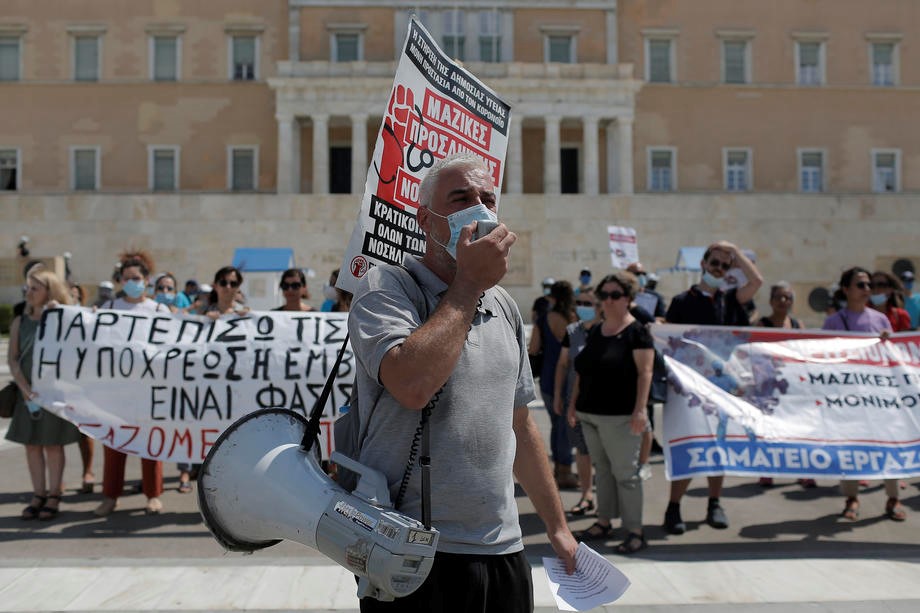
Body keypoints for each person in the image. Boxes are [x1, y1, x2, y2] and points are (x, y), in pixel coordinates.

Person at [348, 153, 576, 612]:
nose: (481, 209)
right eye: (461, 198)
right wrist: (469, 284)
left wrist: (557, 526)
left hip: (503, 547)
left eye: (488, 198)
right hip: (412, 548)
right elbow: (411, 386)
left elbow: (519, 423)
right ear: (424, 219)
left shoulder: (505, 304)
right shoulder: (387, 288)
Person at [663, 240, 763, 534]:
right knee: (690, 444)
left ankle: (714, 503)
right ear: (703, 264)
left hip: (722, 389)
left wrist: (734, 250)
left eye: (725, 265)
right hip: (689, 389)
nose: (719, 269)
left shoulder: (730, 300)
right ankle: (674, 506)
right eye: (715, 263)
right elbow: (670, 341)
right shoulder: (682, 301)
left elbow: (757, 280)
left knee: (719, 444)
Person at [567, 271, 654, 554]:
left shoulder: (637, 331)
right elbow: (582, 372)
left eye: (615, 295)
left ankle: (635, 531)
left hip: (620, 416)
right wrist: (572, 405)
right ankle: (603, 522)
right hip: (589, 413)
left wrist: (641, 410)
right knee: (602, 471)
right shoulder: (595, 330)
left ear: (628, 298)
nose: (609, 300)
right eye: (604, 295)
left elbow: (645, 373)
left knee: (626, 475)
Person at [823, 267, 906, 522]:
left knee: (889, 446)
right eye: (861, 285)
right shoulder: (833, 322)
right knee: (849, 449)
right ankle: (852, 498)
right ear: (846, 289)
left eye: (869, 285)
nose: (867, 290)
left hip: (877, 397)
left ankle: (893, 499)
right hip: (847, 398)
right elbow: (822, 358)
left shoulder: (880, 320)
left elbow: (892, 358)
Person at [94, 253, 167, 517]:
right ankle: (110, 497)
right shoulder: (110, 309)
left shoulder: (159, 310)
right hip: (116, 390)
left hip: (148, 389)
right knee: (114, 444)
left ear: (146, 280)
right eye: (127, 279)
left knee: (150, 444)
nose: (132, 282)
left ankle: (153, 495)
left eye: (137, 278)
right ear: (120, 281)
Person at [7, 268, 82, 520]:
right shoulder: (20, 321)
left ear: (49, 291)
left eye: (35, 288)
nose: (29, 292)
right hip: (27, 396)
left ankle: (53, 494)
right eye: (28, 288)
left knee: (52, 445)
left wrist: (57, 313)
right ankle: (37, 494)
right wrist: (26, 390)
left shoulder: (60, 319)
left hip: (53, 395)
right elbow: (14, 359)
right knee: (32, 445)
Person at [754, 282, 815, 488]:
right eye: (779, 297)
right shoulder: (762, 324)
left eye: (787, 297)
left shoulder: (798, 325)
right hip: (769, 386)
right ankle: (768, 469)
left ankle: (803, 470)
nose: (783, 301)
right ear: (771, 301)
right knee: (771, 429)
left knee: (798, 428)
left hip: (793, 386)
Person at [529, 281, 579, 489]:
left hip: (549, 377)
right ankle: (564, 470)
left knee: (556, 423)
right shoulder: (575, 319)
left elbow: (533, 348)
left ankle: (559, 468)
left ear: (553, 297)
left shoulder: (543, 319)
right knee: (565, 425)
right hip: (573, 378)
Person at [554, 291, 599, 515]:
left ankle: (610, 504)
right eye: (579, 303)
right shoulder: (572, 332)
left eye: (588, 303)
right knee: (582, 450)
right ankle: (586, 495)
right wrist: (557, 395)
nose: (582, 307)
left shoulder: (609, 330)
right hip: (575, 402)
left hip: (603, 403)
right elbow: (563, 364)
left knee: (604, 453)